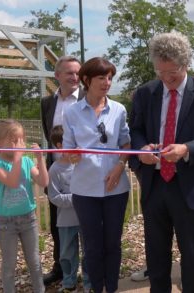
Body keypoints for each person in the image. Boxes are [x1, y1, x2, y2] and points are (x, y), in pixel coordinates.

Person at [130, 31, 194, 293]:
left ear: (185, 64)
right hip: (155, 184)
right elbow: (135, 129)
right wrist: (142, 150)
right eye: (160, 72)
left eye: (171, 73)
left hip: (189, 186)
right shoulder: (146, 93)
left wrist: (186, 149)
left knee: (190, 255)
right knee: (156, 255)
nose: (165, 79)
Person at [63, 56, 130, 293]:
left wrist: (120, 166)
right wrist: (73, 156)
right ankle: (96, 288)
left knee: (112, 244)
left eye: (110, 77)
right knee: (92, 246)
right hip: (85, 190)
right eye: (102, 77)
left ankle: (111, 288)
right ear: (86, 80)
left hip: (116, 188)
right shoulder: (71, 113)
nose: (107, 82)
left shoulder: (119, 110)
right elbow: (68, 149)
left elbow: (125, 144)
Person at [0, 120, 48, 293]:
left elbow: (44, 182)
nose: (18, 144)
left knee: (35, 262)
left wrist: (39, 159)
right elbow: (12, 182)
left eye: (21, 139)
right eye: (13, 140)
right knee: (9, 265)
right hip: (6, 222)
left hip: (28, 219)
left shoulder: (27, 161)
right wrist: (17, 158)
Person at [41, 55, 85, 286]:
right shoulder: (47, 103)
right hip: (57, 172)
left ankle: (89, 272)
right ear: (57, 75)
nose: (75, 77)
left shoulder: (89, 99)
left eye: (78, 73)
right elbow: (50, 135)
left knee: (86, 223)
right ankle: (61, 268)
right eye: (69, 72)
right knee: (58, 222)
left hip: (84, 171)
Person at [47, 125, 91, 293]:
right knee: (66, 254)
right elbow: (54, 197)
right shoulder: (55, 170)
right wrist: (77, 198)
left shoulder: (83, 165)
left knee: (88, 251)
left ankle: (89, 282)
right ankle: (69, 282)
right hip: (65, 221)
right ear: (60, 146)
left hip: (85, 219)